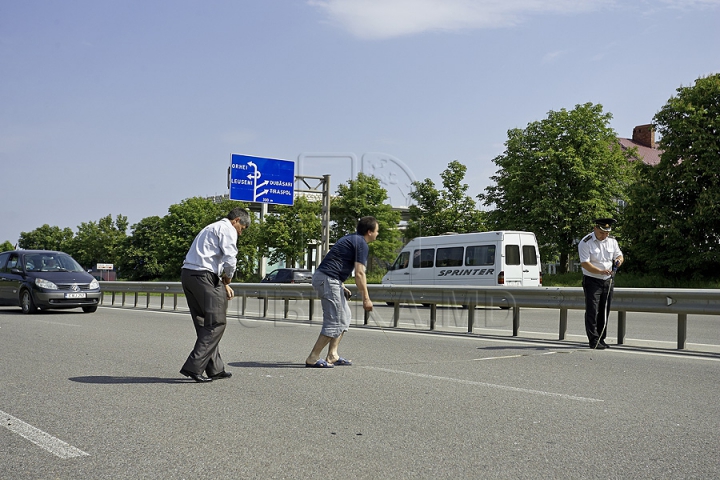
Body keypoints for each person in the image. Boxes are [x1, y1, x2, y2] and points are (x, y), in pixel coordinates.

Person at [179, 207, 250, 382]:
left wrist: (222, 284)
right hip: (204, 276)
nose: (240, 234)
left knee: (204, 323)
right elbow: (230, 258)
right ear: (237, 221)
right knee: (217, 322)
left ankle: (215, 368)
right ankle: (193, 367)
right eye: (242, 229)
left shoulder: (210, 228)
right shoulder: (227, 229)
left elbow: (208, 260)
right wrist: (228, 278)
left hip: (189, 274)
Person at [305, 216, 379, 368]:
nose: (378, 234)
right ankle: (313, 357)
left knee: (344, 317)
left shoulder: (352, 238)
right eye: (377, 231)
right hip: (328, 279)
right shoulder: (361, 244)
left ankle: (332, 355)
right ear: (370, 232)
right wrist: (366, 298)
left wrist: (341, 284)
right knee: (334, 321)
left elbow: (335, 262)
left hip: (330, 279)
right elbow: (359, 273)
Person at [578, 218, 624, 350]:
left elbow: (619, 255)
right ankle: (593, 339)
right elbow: (585, 263)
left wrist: (618, 261)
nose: (605, 235)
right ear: (595, 228)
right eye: (602, 232)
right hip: (592, 279)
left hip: (608, 280)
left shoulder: (612, 242)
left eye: (607, 233)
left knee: (604, 310)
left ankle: (601, 339)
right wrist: (600, 271)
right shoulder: (586, 242)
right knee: (593, 310)